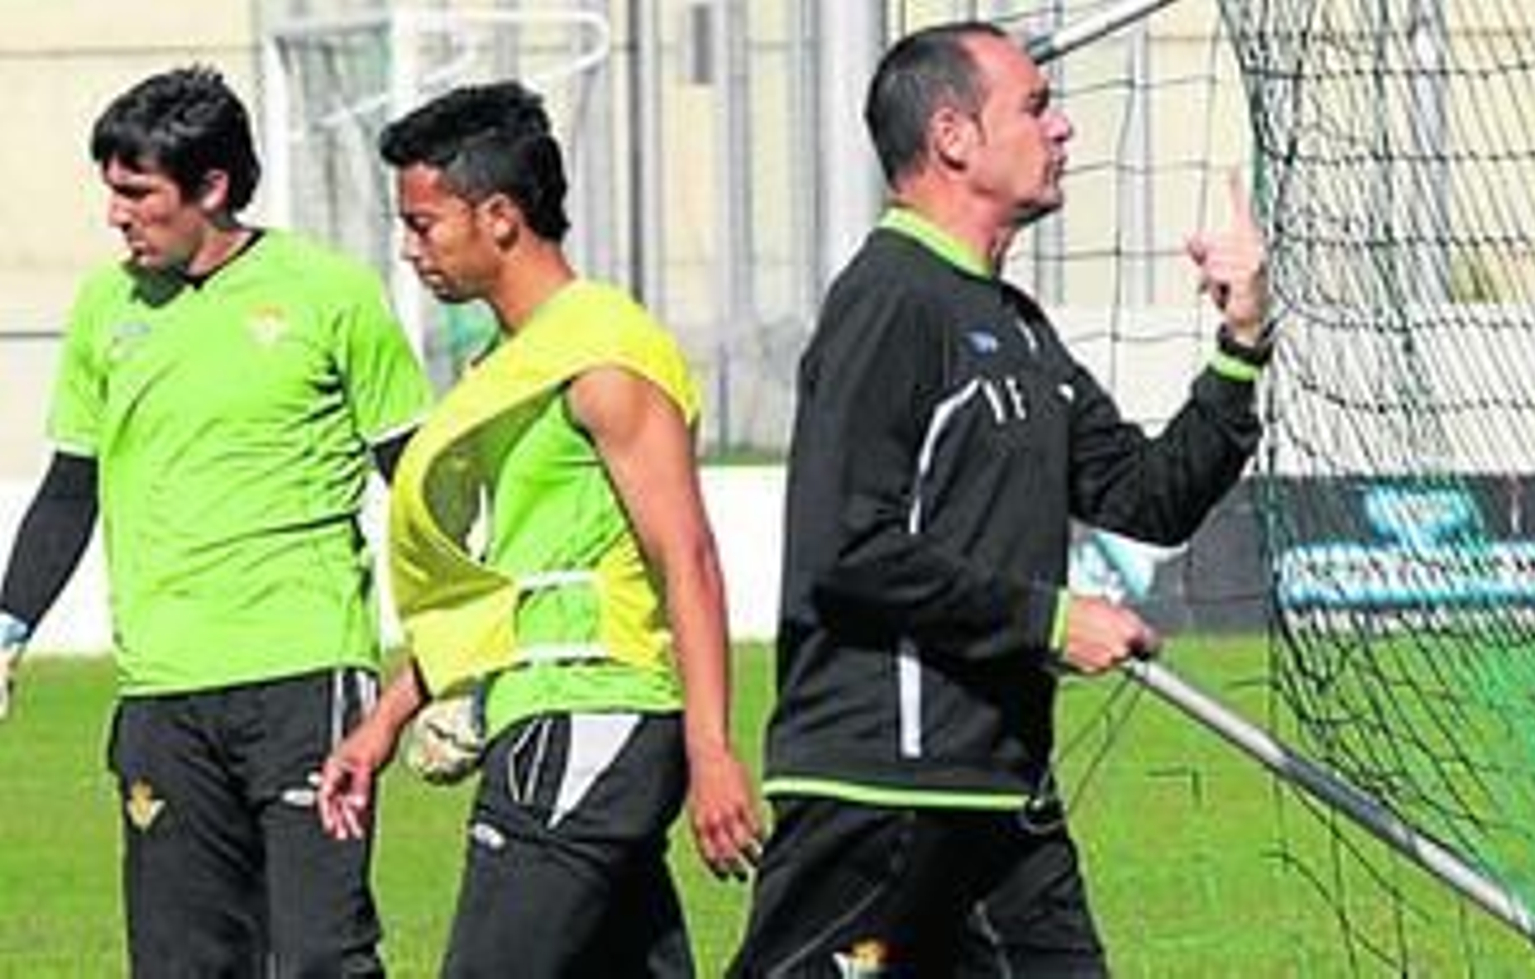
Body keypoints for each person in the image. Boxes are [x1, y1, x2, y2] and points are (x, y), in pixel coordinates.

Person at [731, 21, 1270, 978]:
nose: (1062, 128)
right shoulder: (889, 301)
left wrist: (1240, 345)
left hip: (1002, 796)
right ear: (953, 137)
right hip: (883, 794)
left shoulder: (1018, 325)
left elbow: (1148, 497)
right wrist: (1049, 619)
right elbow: (847, 549)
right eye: (1035, 107)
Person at [314, 82, 764, 977]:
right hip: (554, 712)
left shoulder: (603, 354)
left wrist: (712, 749)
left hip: (590, 712)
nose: (409, 249)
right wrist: (385, 720)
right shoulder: (512, 362)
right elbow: (515, 591)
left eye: (424, 224)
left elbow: (690, 556)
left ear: (500, 217)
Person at [0, 66, 432, 975]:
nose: (116, 216)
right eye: (111, 192)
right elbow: (72, 488)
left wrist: (459, 644)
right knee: (181, 963)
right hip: (162, 689)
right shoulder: (105, 307)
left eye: (137, 194)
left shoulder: (331, 294)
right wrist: (8, 627)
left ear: (211, 187)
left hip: (306, 679)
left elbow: (420, 483)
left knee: (322, 957)